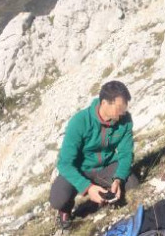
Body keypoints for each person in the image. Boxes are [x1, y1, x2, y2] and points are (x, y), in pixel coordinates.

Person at [49, 80, 139, 229]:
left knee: (132, 185)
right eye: (119, 107)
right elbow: (64, 163)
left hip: (106, 166)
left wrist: (118, 179)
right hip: (80, 168)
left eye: (125, 107)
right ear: (104, 103)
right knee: (58, 199)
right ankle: (65, 210)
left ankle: (107, 191)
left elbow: (126, 153)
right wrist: (87, 187)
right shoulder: (80, 121)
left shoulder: (125, 121)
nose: (123, 111)